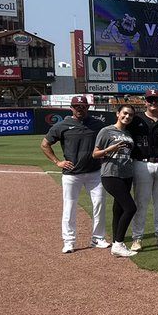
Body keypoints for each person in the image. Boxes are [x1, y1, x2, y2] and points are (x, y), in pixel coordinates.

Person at [41, 95, 109, 254]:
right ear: (71, 108)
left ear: (88, 107)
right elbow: (45, 144)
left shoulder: (97, 124)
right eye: (77, 106)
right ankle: (69, 241)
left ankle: (97, 238)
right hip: (72, 174)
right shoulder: (62, 125)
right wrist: (57, 162)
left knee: (99, 205)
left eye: (83, 106)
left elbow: (107, 141)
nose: (80, 109)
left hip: (94, 172)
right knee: (69, 207)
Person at [128, 88, 158, 250]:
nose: (153, 103)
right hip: (142, 163)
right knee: (141, 202)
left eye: (156, 100)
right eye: (150, 100)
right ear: (145, 102)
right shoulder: (136, 120)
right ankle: (137, 238)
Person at [93, 104, 138, 257]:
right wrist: (109, 150)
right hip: (111, 175)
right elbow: (95, 154)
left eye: (130, 115)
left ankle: (116, 242)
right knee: (130, 208)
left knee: (118, 210)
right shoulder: (106, 131)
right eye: (125, 113)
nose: (127, 117)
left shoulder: (128, 133)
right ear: (118, 113)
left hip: (126, 174)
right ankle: (118, 244)